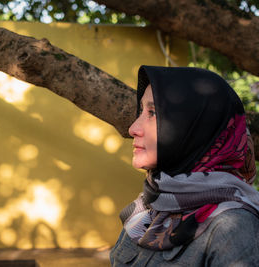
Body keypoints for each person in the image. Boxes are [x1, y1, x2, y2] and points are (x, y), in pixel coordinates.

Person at [110, 65, 259, 266]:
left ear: (197, 129)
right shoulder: (147, 210)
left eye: (152, 113)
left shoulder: (233, 227)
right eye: (141, 111)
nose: (132, 128)